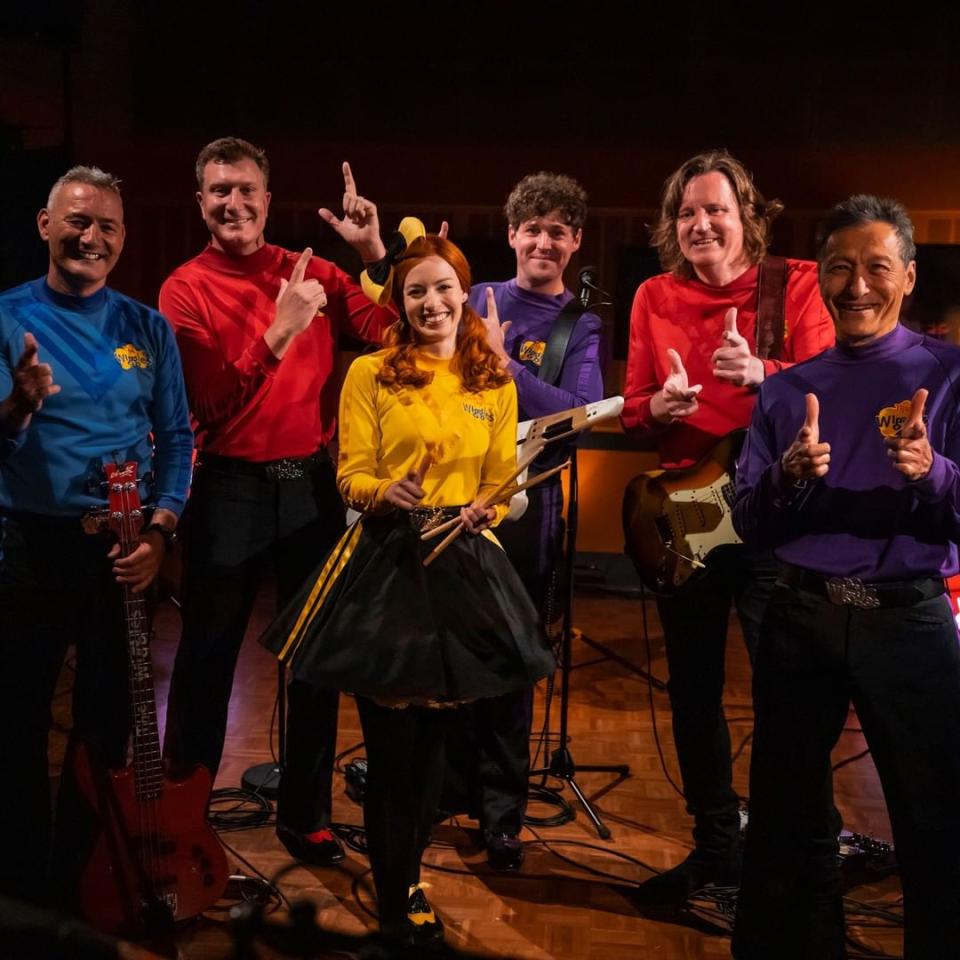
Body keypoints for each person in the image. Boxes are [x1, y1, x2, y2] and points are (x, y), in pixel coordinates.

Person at [260, 235, 554, 944]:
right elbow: (349, 476)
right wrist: (384, 492)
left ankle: (409, 871)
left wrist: (487, 503)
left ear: (463, 292)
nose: (431, 302)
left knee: (437, 750)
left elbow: (497, 477)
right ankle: (395, 897)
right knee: (393, 750)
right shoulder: (371, 372)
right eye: (416, 291)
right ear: (399, 302)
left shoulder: (495, 380)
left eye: (442, 288)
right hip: (388, 562)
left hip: (464, 566)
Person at [731, 195, 960, 960]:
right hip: (802, 618)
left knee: (935, 819)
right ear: (819, 280)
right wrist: (788, 477)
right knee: (785, 817)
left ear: (909, 277)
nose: (856, 284)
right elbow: (749, 523)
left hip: (911, 626)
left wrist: (935, 474)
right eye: (839, 268)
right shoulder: (784, 391)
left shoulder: (948, 375)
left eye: (876, 267)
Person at [160, 137, 396, 866]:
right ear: (200, 203)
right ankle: (180, 819)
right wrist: (281, 331)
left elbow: (394, 332)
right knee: (206, 665)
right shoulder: (183, 289)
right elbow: (208, 407)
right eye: (217, 191)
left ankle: (305, 814)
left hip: (308, 487)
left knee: (317, 662)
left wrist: (376, 260)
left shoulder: (314, 270)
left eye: (245, 189)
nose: (232, 203)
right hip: (227, 488)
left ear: (267, 197)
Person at [620, 150, 835, 902]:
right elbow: (636, 402)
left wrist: (767, 379)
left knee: (788, 695)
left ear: (749, 214)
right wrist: (659, 409)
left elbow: (830, 394)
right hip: (688, 519)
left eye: (715, 208)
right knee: (693, 693)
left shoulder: (793, 284)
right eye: (686, 212)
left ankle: (793, 855)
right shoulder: (653, 294)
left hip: (776, 521)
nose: (701, 223)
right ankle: (715, 845)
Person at [0, 166, 193, 905]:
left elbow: (176, 438)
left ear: (122, 238)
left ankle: (83, 876)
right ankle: (19, 890)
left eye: (108, 226)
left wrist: (161, 530)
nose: (92, 236)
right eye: (78, 221)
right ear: (46, 226)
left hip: (123, 551)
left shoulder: (147, 327)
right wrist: (18, 408)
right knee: (15, 721)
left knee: (105, 723)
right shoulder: (7, 316)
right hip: (29, 549)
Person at [445, 172, 603, 870]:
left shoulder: (581, 324)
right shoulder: (474, 297)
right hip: (453, 502)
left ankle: (502, 817)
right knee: (447, 654)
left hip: (529, 511)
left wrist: (509, 371)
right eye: (531, 228)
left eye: (558, 231)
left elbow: (581, 419)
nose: (543, 241)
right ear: (512, 234)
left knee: (511, 667)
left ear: (574, 243)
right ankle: (447, 795)